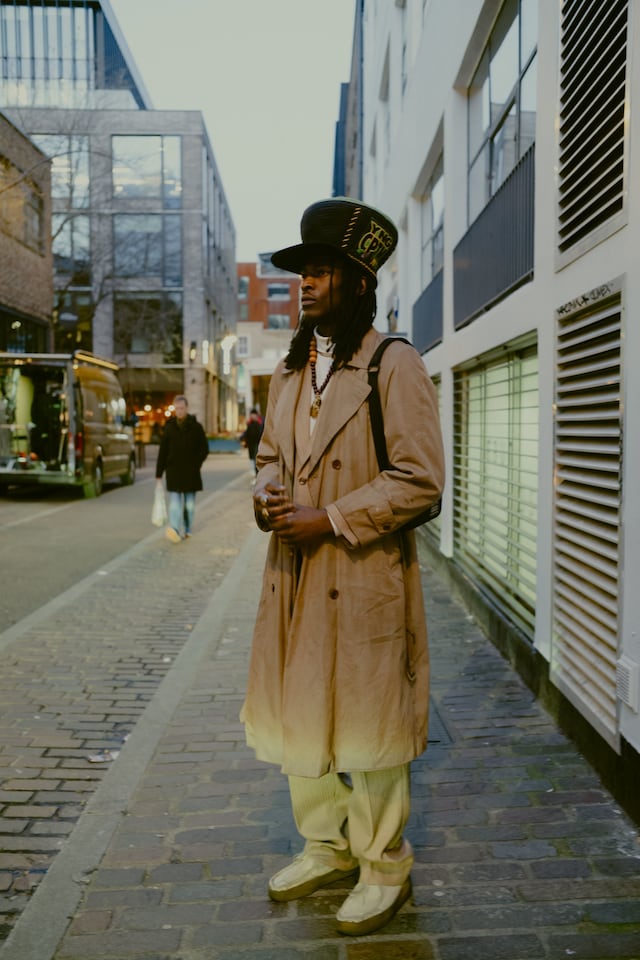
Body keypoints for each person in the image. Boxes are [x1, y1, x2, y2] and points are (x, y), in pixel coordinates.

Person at [240, 198, 445, 936]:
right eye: (304, 271)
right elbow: (269, 458)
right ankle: (325, 845)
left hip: (362, 576)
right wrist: (267, 496)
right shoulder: (290, 372)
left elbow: (422, 479)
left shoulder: (395, 363)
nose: (309, 284)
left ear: (360, 283)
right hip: (292, 578)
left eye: (325, 271)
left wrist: (327, 517)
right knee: (302, 718)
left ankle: (384, 863)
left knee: (369, 722)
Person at [155, 395, 209, 543]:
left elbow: (204, 448)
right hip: (173, 472)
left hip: (191, 472)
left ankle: (188, 528)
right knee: (175, 504)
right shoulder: (169, 427)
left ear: (186, 408)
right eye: (177, 408)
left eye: (182, 408)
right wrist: (159, 473)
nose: (179, 411)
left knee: (190, 506)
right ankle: (175, 529)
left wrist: (196, 463)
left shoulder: (196, 427)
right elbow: (163, 451)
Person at [240, 408, 264, 476]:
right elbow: (247, 433)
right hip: (251, 445)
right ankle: (256, 475)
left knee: (256, 460)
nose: (252, 416)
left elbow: (261, 433)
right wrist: (242, 439)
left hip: (258, 445)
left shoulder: (260, 422)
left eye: (253, 415)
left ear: (256, 415)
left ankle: (258, 475)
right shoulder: (249, 423)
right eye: (251, 415)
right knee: (253, 460)